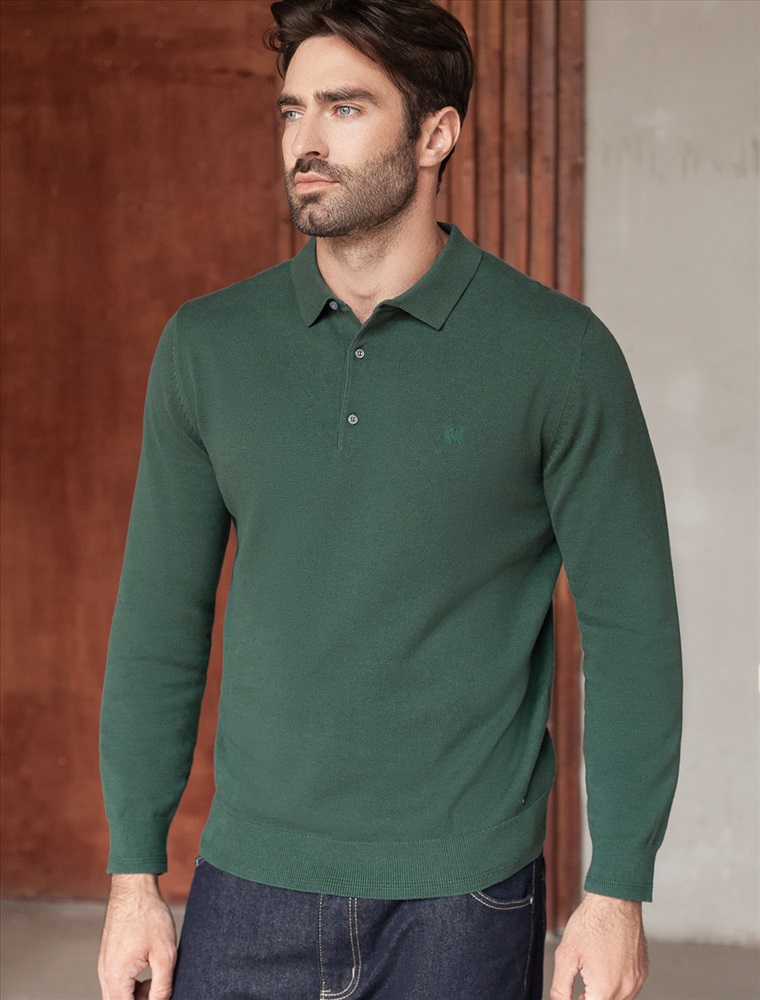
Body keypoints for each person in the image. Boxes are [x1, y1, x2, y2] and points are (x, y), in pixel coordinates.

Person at [97, 1, 682, 998]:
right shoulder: (208, 347)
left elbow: (632, 634)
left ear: (436, 134)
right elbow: (160, 622)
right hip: (249, 881)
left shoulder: (559, 354)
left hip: (464, 895)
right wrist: (132, 875)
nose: (306, 140)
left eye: (345, 107)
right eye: (291, 111)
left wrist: (617, 887)